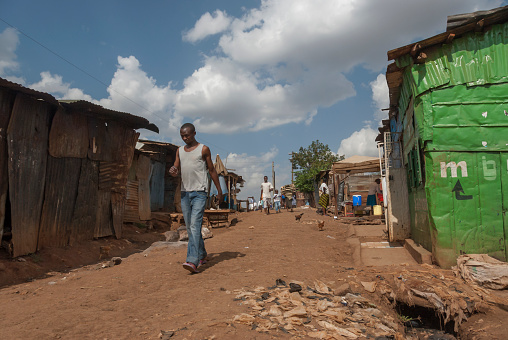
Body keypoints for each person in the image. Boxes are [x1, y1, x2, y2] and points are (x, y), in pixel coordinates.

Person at [169, 123, 223, 274]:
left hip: (200, 192)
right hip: (185, 193)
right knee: (191, 227)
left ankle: (192, 261)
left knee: (194, 226)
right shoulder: (179, 151)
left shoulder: (204, 149)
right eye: (182, 136)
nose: (185, 138)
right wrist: (173, 171)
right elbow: (176, 168)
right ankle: (202, 254)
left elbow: (211, 170)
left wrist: (219, 191)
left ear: (194, 133)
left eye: (187, 135)